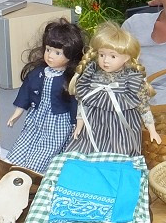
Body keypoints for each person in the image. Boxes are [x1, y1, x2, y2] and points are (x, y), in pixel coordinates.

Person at [64, 22, 160, 157]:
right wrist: (80, 123)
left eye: (113, 56)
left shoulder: (131, 79)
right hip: (95, 125)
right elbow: (83, 101)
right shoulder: (92, 74)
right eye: (102, 55)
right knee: (86, 152)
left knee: (119, 154)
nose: (105, 61)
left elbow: (143, 107)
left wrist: (152, 129)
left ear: (126, 57)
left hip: (121, 129)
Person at [5, 18, 84, 173]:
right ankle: (14, 164)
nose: (50, 56)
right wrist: (17, 113)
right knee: (25, 141)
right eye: (48, 50)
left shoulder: (70, 79)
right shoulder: (38, 73)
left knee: (47, 149)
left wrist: (78, 123)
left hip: (57, 124)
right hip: (36, 118)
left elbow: (76, 102)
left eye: (57, 52)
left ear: (70, 54)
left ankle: (34, 172)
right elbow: (26, 92)